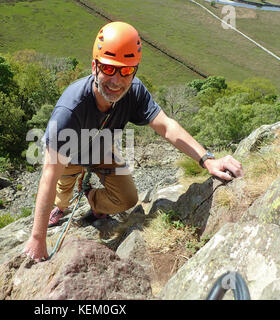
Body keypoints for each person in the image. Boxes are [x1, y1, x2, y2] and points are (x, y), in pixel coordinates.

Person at [23, 21, 244, 262]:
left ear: (135, 70)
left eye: (126, 70)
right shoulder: (70, 109)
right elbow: (49, 176)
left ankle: (90, 197)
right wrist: (37, 238)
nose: (116, 81)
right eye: (108, 68)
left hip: (102, 152)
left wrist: (207, 160)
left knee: (127, 199)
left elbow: (167, 126)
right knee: (61, 196)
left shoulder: (134, 92)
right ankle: (63, 206)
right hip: (69, 159)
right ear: (94, 66)